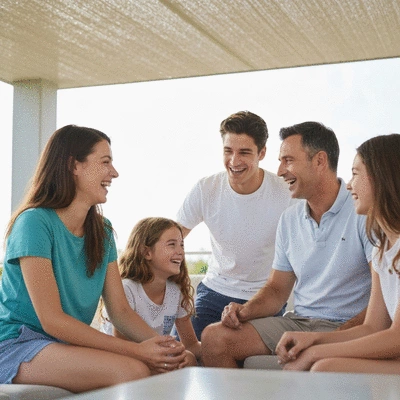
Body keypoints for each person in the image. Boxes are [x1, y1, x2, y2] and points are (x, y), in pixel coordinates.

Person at [0, 125, 186, 393]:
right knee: (132, 370)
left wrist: (164, 348)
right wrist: (137, 351)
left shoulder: (103, 230)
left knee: (158, 367)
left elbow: (120, 311)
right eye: (105, 162)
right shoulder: (33, 223)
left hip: (62, 345)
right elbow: (52, 320)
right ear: (74, 165)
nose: (114, 172)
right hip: (19, 343)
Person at [201, 121, 373, 368]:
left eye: (288, 160)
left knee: (314, 360)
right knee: (214, 338)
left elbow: (382, 303)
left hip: (347, 324)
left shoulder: (363, 213)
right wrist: (244, 311)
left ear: (320, 161)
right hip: (299, 321)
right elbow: (276, 290)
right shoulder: (289, 219)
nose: (280, 171)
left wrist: (332, 338)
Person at [275, 133, 400, 374]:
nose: (350, 184)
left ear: (381, 178)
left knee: (325, 367)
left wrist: (316, 351)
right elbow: (373, 327)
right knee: (321, 365)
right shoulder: (383, 249)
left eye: (355, 173)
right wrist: (313, 339)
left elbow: (396, 338)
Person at [176, 111, 293, 339]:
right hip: (213, 293)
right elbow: (171, 237)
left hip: (264, 298)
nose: (234, 161)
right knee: (179, 353)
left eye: (244, 153)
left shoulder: (286, 193)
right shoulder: (206, 189)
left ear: (262, 153)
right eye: (228, 151)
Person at [101, 217, 201, 365]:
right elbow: (123, 347)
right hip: (124, 357)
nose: (180, 251)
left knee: (188, 358)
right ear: (147, 252)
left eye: (182, 245)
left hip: (157, 356)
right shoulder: (126, 289)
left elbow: (191, 345)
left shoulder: (175, 292)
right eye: (172, 245)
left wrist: (218, 343)